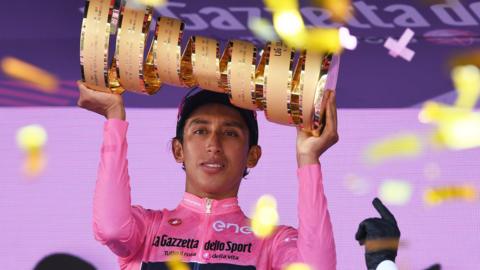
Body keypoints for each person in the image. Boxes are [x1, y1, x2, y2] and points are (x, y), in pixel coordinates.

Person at [77, 82, 339, 270]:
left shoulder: (270, 242)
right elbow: (110, 229)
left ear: (252, 156)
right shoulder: (146, 229)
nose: (213, 144)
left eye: (230, 133)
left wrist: (308, 159)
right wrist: (114, 118)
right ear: (178, 150)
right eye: (200, 131)